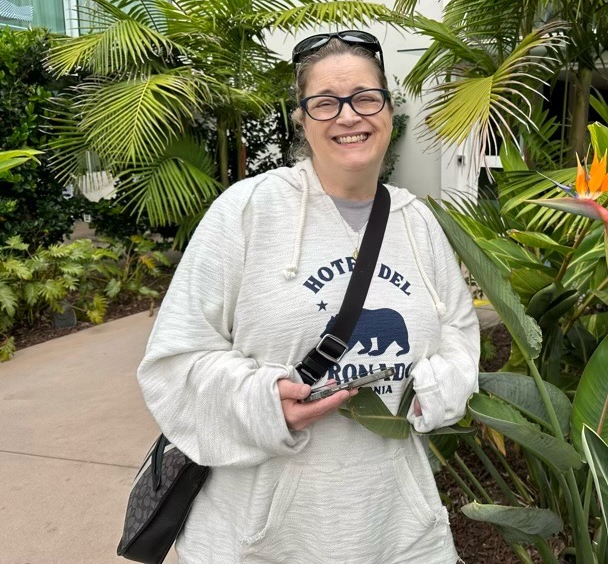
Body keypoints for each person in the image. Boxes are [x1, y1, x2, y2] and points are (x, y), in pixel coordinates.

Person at [137, 30, 480, 564]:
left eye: (365, 98)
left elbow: (459, 331)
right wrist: (261, 402)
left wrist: (439, 389)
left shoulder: (418, 223)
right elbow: (172, 363)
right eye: (325, 102)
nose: (349, 116)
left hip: (398, 531)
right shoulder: (247, 211)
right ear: (301, 118)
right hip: (263, 540)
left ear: (388, 110)